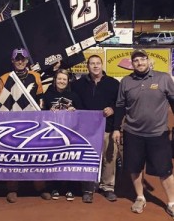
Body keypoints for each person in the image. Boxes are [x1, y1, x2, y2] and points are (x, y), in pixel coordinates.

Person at [112, 49, 174, 217]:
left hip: (158, 134)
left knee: (165, 170)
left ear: (148, 60)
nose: (139, 63)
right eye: (136, 60)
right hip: (133, 133)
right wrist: (116, 128)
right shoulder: (125, 82)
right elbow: (120, 106)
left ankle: (171, 202)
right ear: (132, 64)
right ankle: (140, 197)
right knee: (135, 168)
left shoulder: (163, 78)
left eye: (142, 59)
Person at [0, 48, 51, 203]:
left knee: (36, 157)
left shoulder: (35, 77)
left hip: (33, 124)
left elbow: (40, 101)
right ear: (12, 61)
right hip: (13, 125)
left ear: (27, 61)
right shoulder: (5, 78)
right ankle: (12, 189)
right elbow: (0, 103)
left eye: (23, 59)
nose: (20, 62)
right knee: (13, 157)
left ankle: (41, 187)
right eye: (17, 59)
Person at [71, 55, 119, 203]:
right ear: (88, 66)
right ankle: (88, 188)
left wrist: (112, 109)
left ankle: (108, 187)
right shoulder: (78, 85)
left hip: (107, 127)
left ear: (102, 65)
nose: (95, 66)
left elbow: (120, 104)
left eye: (98, 63)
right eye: (92, 63)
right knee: (88, 158)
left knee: (109, 158)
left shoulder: (113, 83)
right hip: (86, 130)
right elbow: (74, 103)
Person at [42, 68, 82, 201]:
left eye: (64, 79)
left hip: (70, 133)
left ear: (68, 81)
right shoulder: (48, 94)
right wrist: (49, 110)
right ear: (55, 80)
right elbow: (41, 112)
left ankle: (71, 188)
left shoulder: (74, 95)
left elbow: (82, 113)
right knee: (55, 160)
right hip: (52, 133)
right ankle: (55, 187)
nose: (61, 81)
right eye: (59, 79)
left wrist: (74, 110)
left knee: (69, 160)